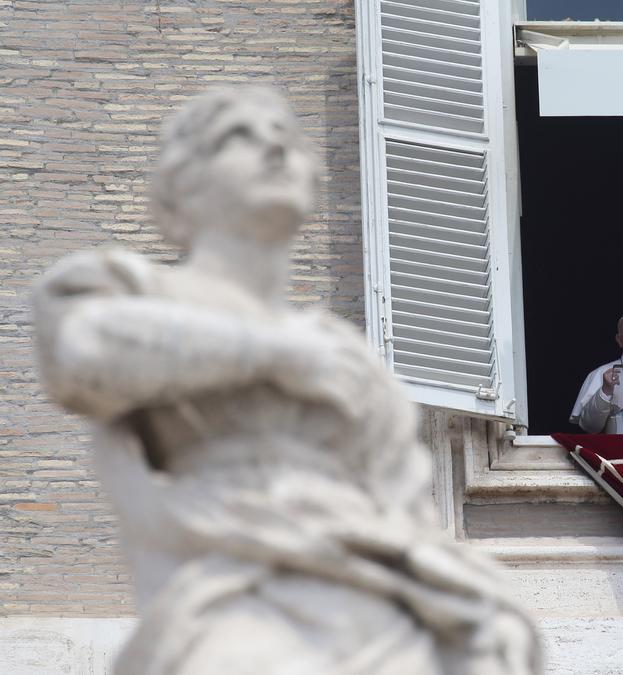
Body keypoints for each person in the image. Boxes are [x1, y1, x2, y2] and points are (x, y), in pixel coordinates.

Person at [33, 86, 538, 674]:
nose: (274, 145)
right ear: (179, 192)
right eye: (238, 136)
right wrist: (276, 355)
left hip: (377, 605)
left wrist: (476, 602)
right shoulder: (129, 289)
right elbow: (82, 354)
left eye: (288, 136)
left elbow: (403, 511)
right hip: (235, 595)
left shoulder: (350, 357)